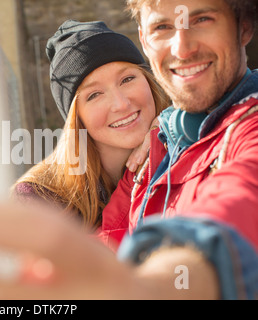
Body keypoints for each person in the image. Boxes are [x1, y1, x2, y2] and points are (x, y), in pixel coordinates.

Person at [0, 0, 258, 300]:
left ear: (244, 26)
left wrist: (143, 288)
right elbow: (107, 245)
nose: (122, 104)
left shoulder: (223, 132)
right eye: (162, 26)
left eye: (203, 18)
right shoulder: (160, 147)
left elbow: (234, 212)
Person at [12, 20, 168, 231]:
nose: (121, 104)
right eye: (94, 95)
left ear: (149, 81)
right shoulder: (39, 199)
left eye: (127, 79)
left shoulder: (182, 144)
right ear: (76, 118)